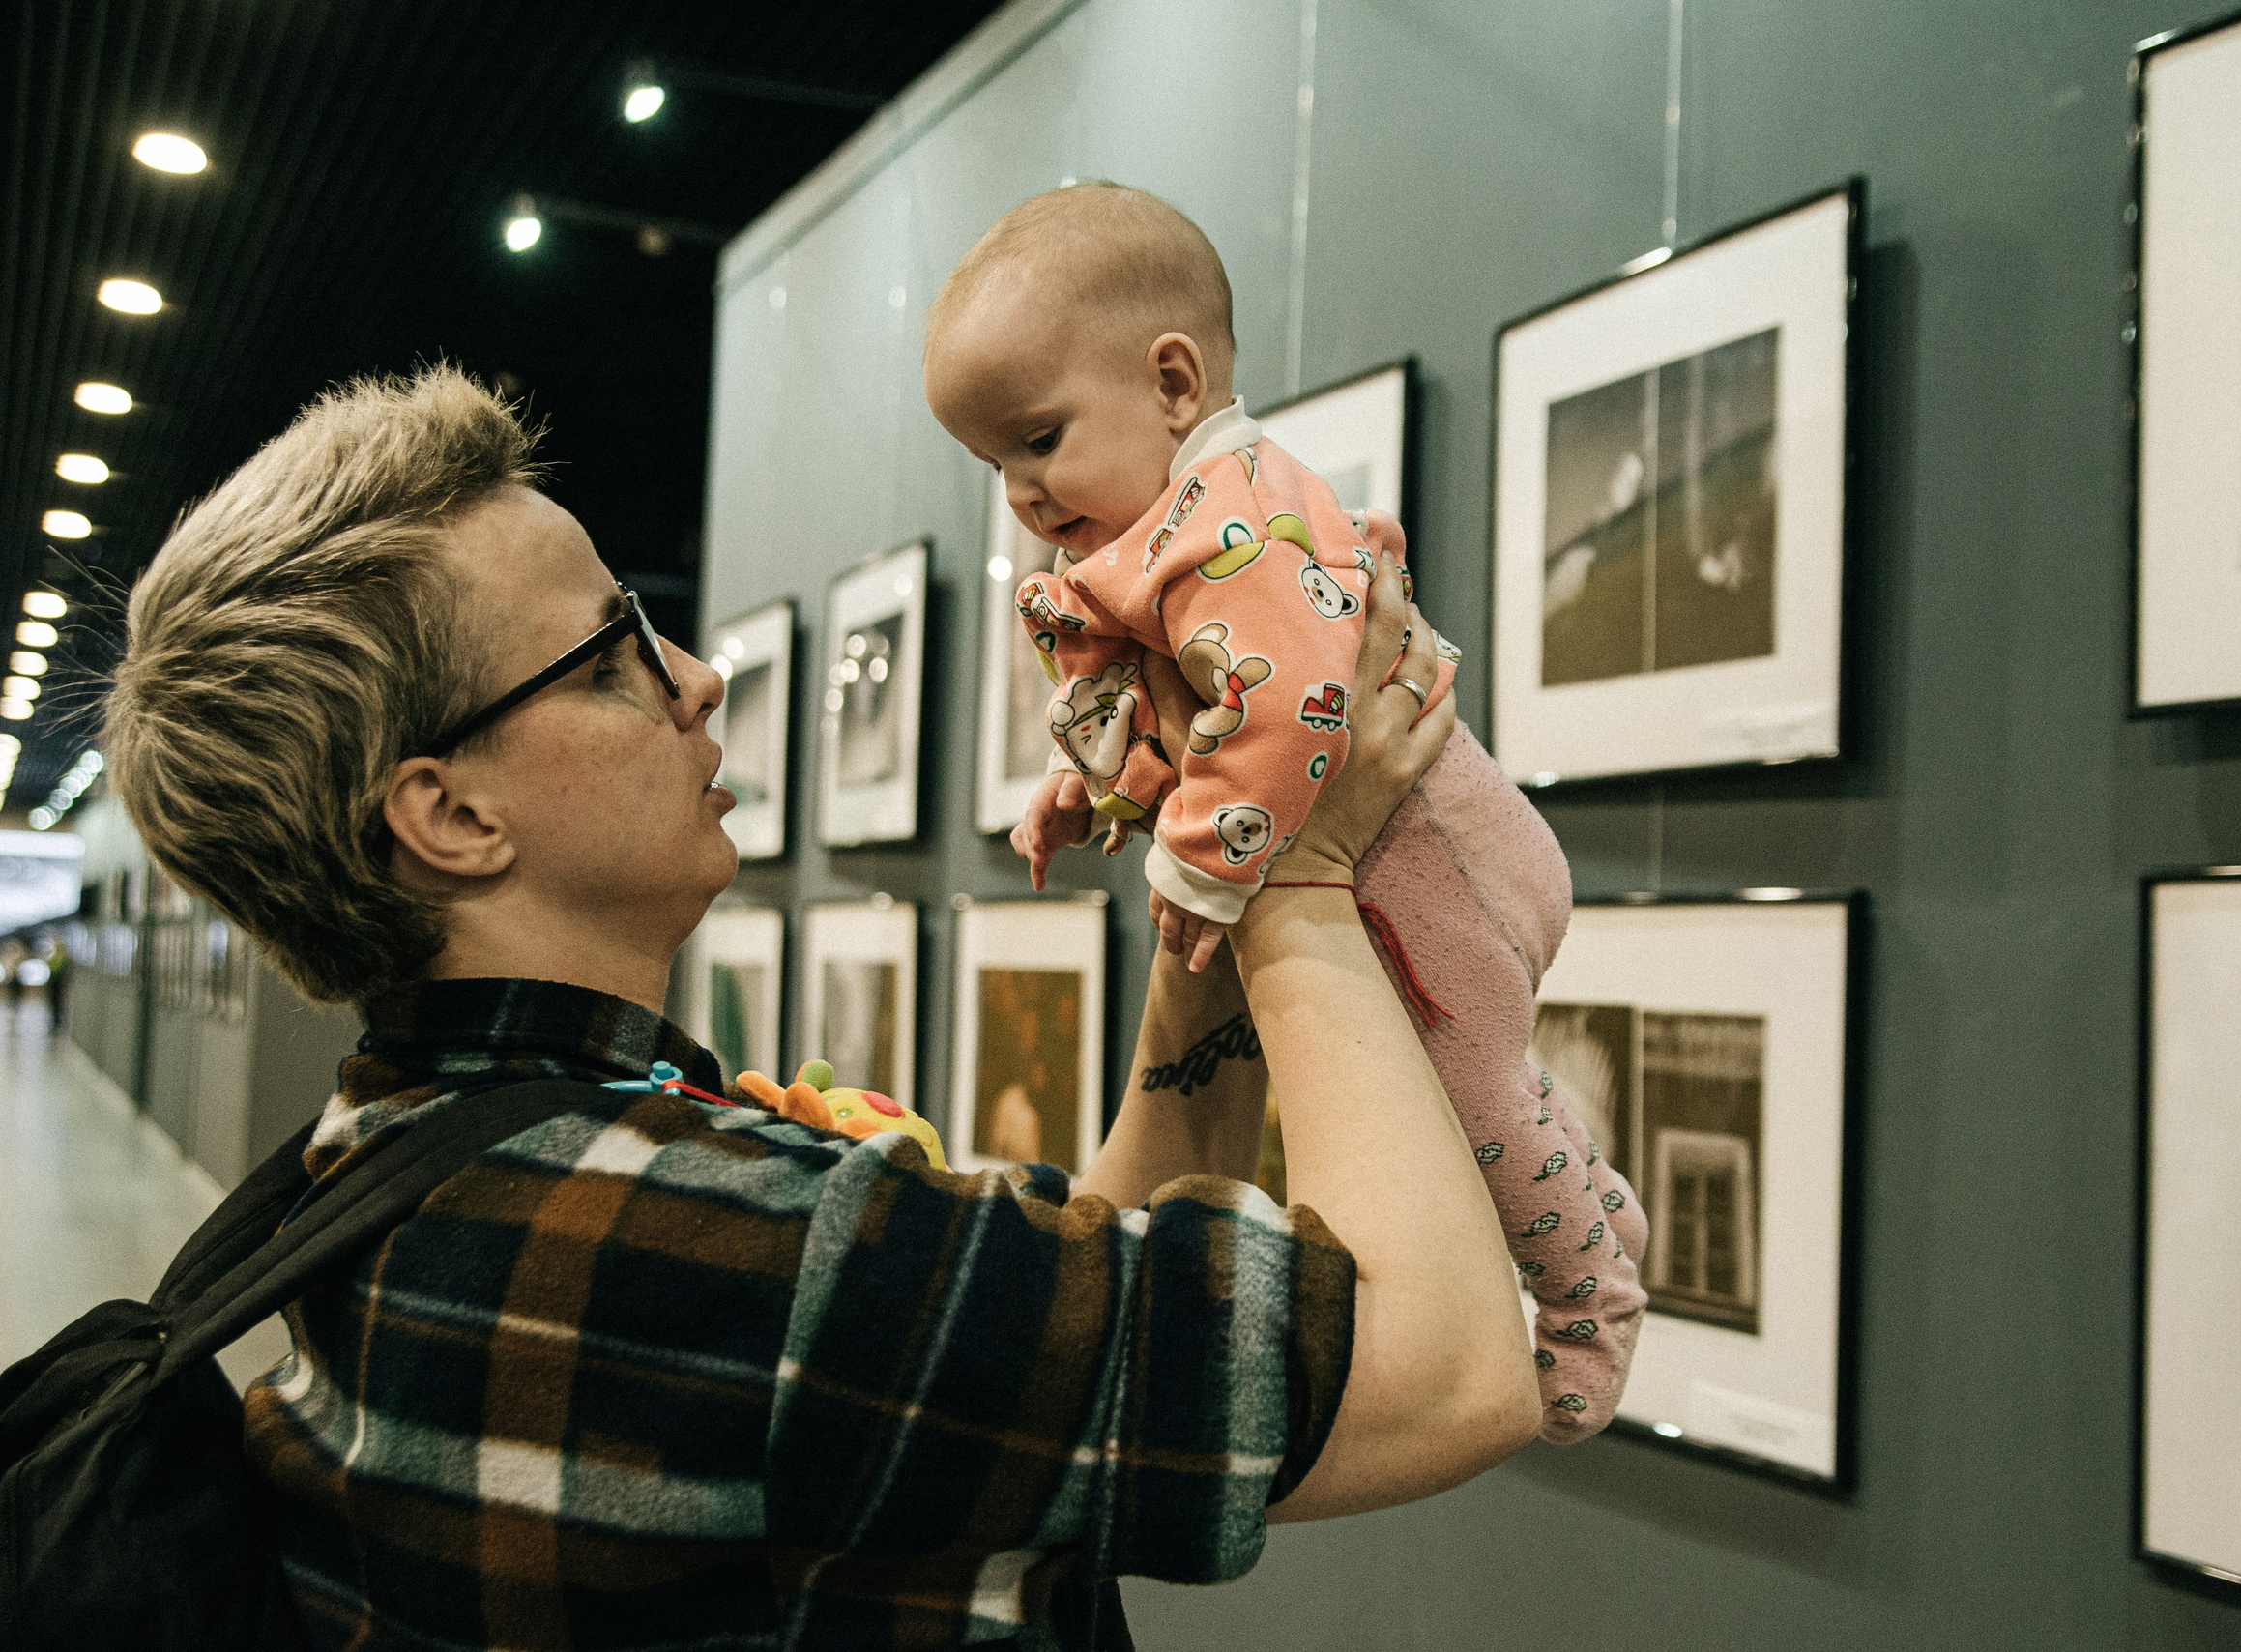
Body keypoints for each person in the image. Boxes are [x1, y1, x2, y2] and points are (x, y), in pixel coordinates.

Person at [101, 366, 1535, 1651]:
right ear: (452, 813)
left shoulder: (400, 1157)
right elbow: (1447, 1370)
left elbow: (1061, 1307)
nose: (697, 677)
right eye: (609, 656)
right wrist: (1302, 865)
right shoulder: (707, 1245)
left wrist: (1205, 888)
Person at [923, 182, 1647, 1436]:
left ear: (1172, 382)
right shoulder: (1158, 538)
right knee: (1471, 1079)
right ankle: (1603, 1203)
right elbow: (1178, 716)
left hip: (1443, 866)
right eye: (995, 465)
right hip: (1387, 866)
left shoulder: (1238, 522)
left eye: (1037, 440)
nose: (1023, 496)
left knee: (1472, 1091)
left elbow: (1291, 703)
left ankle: (1591, 1291)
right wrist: (1086, 786)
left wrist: (1199, 869)